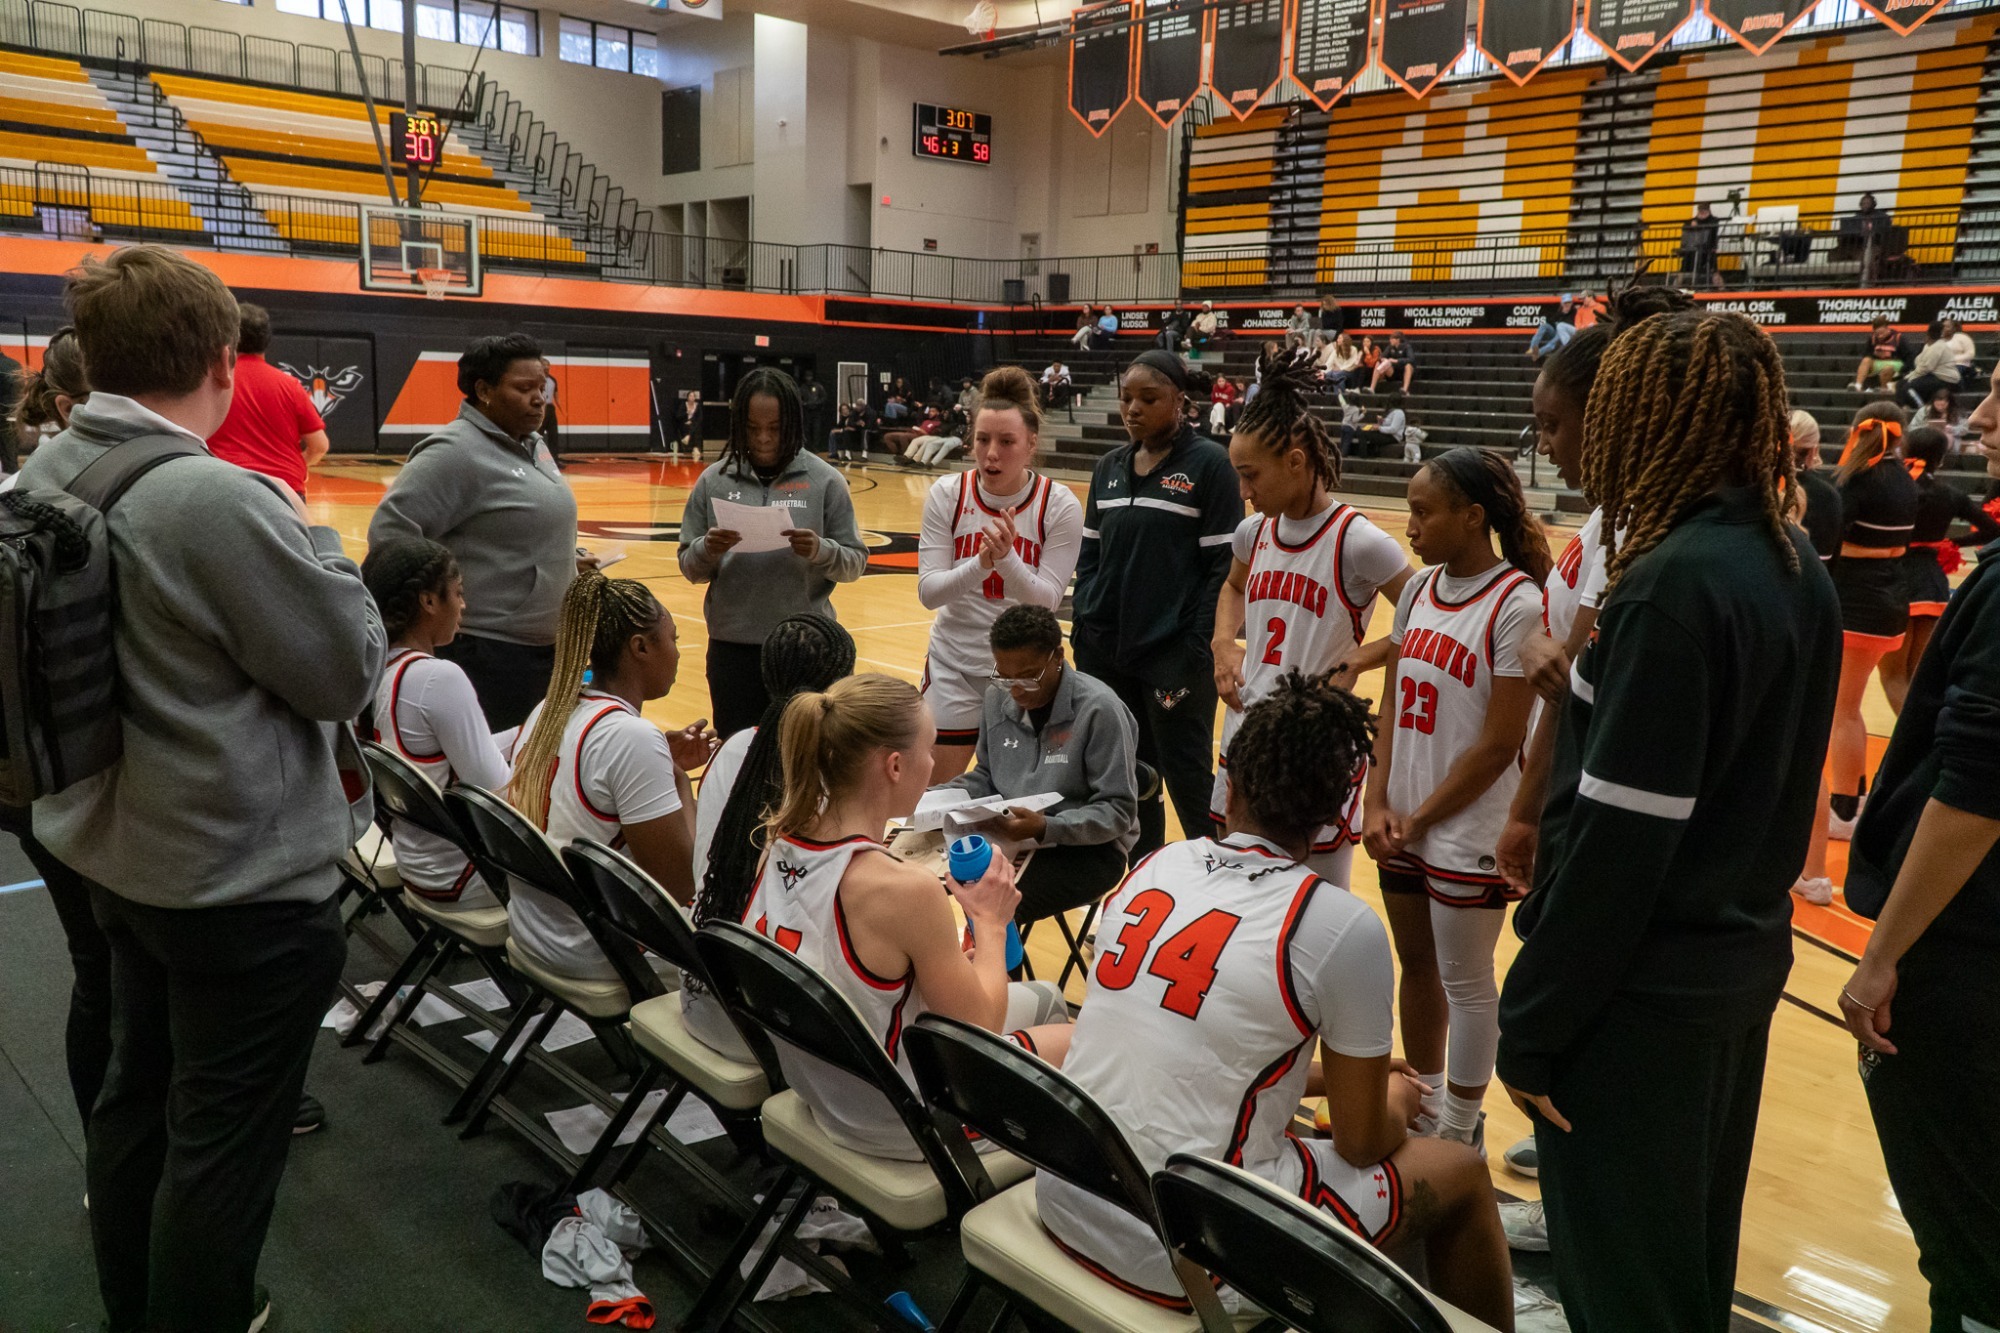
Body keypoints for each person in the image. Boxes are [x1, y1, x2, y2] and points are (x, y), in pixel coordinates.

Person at [17, 244, 385, 1333]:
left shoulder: (52, 464)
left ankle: (133, 1308)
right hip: (234, 879)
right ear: (222, 359)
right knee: (221, 1155)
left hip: (113, 848)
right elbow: (341, 668)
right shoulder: (212, 497)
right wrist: (316, 536)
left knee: (135, 1108)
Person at [1496, 308, 1840, 1333]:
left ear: (1647, 418)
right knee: (1685, 1258)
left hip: (1634, 1002)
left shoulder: (1670, 587)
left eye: (1597, 413)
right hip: (1728, 972)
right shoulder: (1790, 564)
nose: (1577, 440)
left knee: (1624, 1290)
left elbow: (1615, 853)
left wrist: (1533, 1023)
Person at [1037, 672, 1514, 1330]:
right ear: (1335, 820)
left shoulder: (1157, 863)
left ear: (1228, 786)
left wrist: (1338, 1083)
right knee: (1455, 1169)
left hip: (1066, 1194)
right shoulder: (1340, 925)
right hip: (1181, 1252)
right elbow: (1360, 1139)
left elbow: (1204, 1045)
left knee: (1306, 1141)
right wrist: (1395, 1100)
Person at [1493, 288, 1698, 1187]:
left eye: (1554, 423)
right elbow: (1576, 680)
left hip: (1628, 852)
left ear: (1611, 412)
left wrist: (1554, 664)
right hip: (1578, 801)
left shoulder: (1662, 556)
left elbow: (1586, 682)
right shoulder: (1614, 523)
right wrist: (1530, 804)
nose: (1547, 446)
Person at [709, 674, 1072, 1159]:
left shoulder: (776, 843)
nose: (934, 763)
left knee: (1045, 997)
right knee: (1094, 1042)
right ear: (895, 766)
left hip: (825, 1090)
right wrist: (989, 920)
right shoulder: (902, 888)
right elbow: (980, 1027)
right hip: (905, 1122)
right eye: (931, 748)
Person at [1839, 359, 2000, 1333]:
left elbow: (1976, 794)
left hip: (1963, 956)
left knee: (1968, 1252)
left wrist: (1879, 954)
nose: (1980, 412)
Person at [1363, 448, 1546, 1155]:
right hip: (1403, 815)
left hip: (1468, 822)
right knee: (1417, 966)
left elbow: (1500, 742)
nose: (1409, 526)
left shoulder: (1518, 602)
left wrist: (1419, 816)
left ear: (1472, 517)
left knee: (1467, 980)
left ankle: (1461, 1132)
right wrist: (1378, 799)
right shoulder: (1418, 592)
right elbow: (1390, 705)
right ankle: (1429, 1102)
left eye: (1422, 511)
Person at [1212, 350, 1414, 888]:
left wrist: (1360, 659)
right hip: (1247, 732)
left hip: (1317, 745)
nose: (1243, 491)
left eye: (1251, 475)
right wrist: (1222, 643)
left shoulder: (1358, 540)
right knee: (1237, 888)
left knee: (1318, 896)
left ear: (1297, 462)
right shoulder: (1253, 534)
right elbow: (1232, 587)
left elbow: (1430, 622)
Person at [506, 570, 715, 979]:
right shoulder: (631, 738)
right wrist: (679, 782)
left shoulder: (549, 709)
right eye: (672, 638)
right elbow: (682, 886)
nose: (678, 652)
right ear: (640, 647)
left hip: (535, 930)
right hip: (599, 950)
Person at [1072, 350, 1240, 856]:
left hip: (1175, 656)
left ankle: (1211, 880)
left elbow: (1224, 570)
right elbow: (1090, 558)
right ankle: (1148, 882)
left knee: (1186, 773)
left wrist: (1198, 645)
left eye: (1149, 398)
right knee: (1131, 774)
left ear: (1180, 401)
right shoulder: (1108, 468)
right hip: (1109, 651)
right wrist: (1085, 623)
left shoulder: (1211, 465)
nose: (1133, 409)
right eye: (1127, 398)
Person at [368, 333, 578, 730]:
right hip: (488, 655)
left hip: (544, 650)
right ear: (484, 390)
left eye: (542, 387)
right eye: (524, 388)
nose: (539, 399)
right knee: (497, 779)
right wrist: (435, 607)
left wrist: (563, 558)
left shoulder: (533, 444)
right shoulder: (454, 452)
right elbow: (391, 534)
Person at [685, 614, 856, 1060]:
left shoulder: (736, 747)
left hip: (701, 988)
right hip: (767, 1027)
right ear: (842, 690)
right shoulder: (828, 776)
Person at [678, 367, 869, 738]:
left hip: (807, 651)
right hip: (733, 650)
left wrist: (820, 550)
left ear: (794, 423)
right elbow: (690, 567)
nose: (764, 439)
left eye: (776, 428)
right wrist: (708, 549)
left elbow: (854, 564)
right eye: (752, 428)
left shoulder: (825, 480)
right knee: (739, 760)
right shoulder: (713, 480)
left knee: (808, 766)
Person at [915, 366, 1084, 779]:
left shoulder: (1058, 505)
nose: (992, 453)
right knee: (934, 795)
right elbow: (929, 593)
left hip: (1024, 671)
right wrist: (982, 563)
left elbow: (1046, 601)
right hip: (952, 664)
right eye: (983, 439)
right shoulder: (948, 494)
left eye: (1007, 442)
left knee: (1021, 794)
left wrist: (1006, 560)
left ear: (1030, 445)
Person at [941, 606, 1138, 930]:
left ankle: (997, 981)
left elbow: (1118, 812)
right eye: (1005, 677)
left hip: (1090, 849)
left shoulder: (1100, 709)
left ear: (1058, 656)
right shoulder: (996, 697)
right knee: (944, 884)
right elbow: (987, 775)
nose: (1016, 690)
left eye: (1029, 676)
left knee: (994, 907)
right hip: (1014, 837)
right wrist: (937, 798)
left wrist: (1047, 827)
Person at [362, 538, 515, 913]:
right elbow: (499, 794)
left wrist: (533, 733)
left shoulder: (373, 666)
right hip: (465, 877)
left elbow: (444, 759)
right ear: (428, 601)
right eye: (458, 593)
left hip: (415, 865)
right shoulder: (437, 678)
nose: (463, 605)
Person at [1827, 405, 1919, 839]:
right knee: (1850, 706)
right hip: (1891, 601)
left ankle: (1844, 811)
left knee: (1842, 711)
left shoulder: (1857, 479)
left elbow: (1831, 535)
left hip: (1857, 603)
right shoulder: (1905, 478)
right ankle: (1855, 796)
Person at [1879, 425, 2000, 713]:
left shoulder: (1895, 488)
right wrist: (1949, 542)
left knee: (1893, 676)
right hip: (1933, 585)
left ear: (1905, 451)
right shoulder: (1949, 494)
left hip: (1898, 582)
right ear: (1942, 459)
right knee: (1919, 677)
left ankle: (1911, 745)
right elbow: (1991, 530)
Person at [205, 301, 328, 497]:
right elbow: (320, 446)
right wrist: (298, 465)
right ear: (267, 340)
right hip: (286, 491)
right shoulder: (290, 385)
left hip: (227, 488)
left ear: (229, 338)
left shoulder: (212, 382)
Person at [1902, 326, 1962, 414]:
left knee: (1908, 386)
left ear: (1928, 336)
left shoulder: (1939, 346)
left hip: (1947, 379)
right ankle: (1903, 405)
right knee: (1902, 384)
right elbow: (1918, 361)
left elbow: (1926, 367)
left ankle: (1922, 409)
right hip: (1934, 375)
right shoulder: (1928, 346)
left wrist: (1910, 377)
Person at [1852, 319, 1910, 394]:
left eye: (1882, 333)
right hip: (1878, 363)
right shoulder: (1872, 338)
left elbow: (1909, 355)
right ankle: (1858, 386)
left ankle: (1883, 389)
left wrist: (1904, 369)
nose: (1879, 336)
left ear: (1887, 329)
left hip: (1895, 363)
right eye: (1877, 334)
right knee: (1866, 360)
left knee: (1887, 368)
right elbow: (1866, 354)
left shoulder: (1898, 338)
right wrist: (1875, 355)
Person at [1342, 393, 1407, 458]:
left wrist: (1379, 428)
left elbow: (1393, 429)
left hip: (1393, 437)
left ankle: (1363, 455)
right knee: (1362, 431)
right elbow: (1387, 423)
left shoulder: (1399, 413)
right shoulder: (1393, 411)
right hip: (1387, 433)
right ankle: (1367, 452)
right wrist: (1382, 421)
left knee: (1363, 434)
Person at [1680, 201, 1720, 285]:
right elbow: (1685, 227)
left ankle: (1722, 290)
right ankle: (1675, 288)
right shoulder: (1692, 221)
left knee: (1714, 271)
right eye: (1700, 211)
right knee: (1683, 270)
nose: (1701, 214)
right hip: (1691, 251)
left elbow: (1713, 231)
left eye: (1704, 211)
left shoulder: (1713, 221)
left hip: (1707, 250)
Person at [798, 368, 830, 457]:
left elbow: (824, 397)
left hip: (817, 412)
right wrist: (805, 404)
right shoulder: (802, 388)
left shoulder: (818, 386)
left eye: (810, 376)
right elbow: (799, 399)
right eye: (807, 377)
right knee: (806, 430)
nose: (809, 378)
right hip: (807, 412)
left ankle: (816, 447)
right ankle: (807, 447)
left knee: (816, 430)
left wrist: (816, 403)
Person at [832, 397, 874, 462]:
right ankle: (847, 455)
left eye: (859, 405)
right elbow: (850, 422)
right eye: (857, 405)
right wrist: (857, 424)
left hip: (867, 430)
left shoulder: (870, 412)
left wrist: (862, 424)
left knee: (865, 432)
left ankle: (864, 455)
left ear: (863, 406)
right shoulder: (854, 412)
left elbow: (870, 425)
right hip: (856, 430)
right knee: (847, 431)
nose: (857, 407)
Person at [539, 360, 563, 465]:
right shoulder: (537, 379)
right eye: (545, 366)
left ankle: (555, 460)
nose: (547, 368)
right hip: (540, 407)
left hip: (550, 408)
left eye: (548, 366)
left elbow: (556, 396)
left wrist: (562, 410)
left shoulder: (553, 380)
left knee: (553, 435)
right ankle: (537, 459)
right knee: (538, 434)